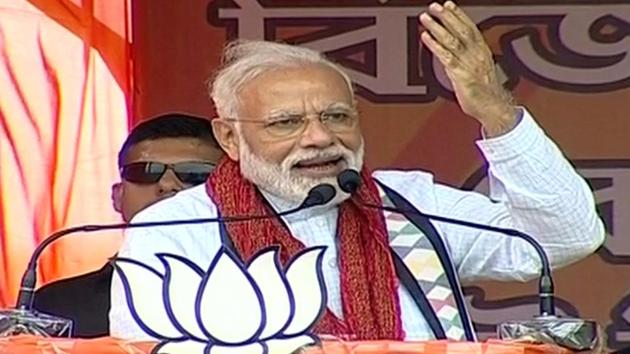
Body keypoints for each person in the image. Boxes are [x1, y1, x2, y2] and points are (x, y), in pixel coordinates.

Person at [109, 2, 605, 341]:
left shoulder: (408, 205)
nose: (320, 137)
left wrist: (495, 111)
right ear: (230, 138)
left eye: (336, 116)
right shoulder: (176, 228)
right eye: (287, 123)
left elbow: (565, 236)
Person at [33, 113, 223, 338]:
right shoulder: (57, 306)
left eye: (195, 173)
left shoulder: (263, 294)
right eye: (145, 171)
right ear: (117, 196)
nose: (168, 184)